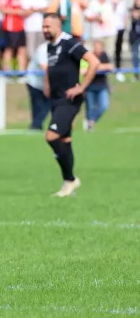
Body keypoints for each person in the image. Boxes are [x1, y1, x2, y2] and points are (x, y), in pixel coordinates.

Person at [42, 13, 100, 197]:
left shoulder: (69, 43)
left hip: (69, 99)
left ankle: (72, 178)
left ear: (58, 27)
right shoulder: (50, 46)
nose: (44, 30)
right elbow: (52, 69)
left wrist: (82, 87)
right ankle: (68, 183)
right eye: (43, 26)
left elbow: (94, 61)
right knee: (65, 141)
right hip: (56, 99)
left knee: (51, 136)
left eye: (47, 26)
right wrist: (47, 84)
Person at [83, 42, 114, 131]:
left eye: (99, 47)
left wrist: (94, 67)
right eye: (96, 46)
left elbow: (110, 66)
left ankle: (91, 121)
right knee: (91, 108)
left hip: (102, 86)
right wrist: (98, 67)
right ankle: (89, 125)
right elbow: (84, 70)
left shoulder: (104, 56)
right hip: (90, 86)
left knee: (104, 106)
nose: (97, 48)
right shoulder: (89, 55)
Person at [25, 42, 50, 130]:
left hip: (46, 82)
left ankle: (36, 125)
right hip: (34, 82)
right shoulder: (43, 49)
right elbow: (45, 68)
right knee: (38, 105)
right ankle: (36, 125)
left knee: (47, 105)